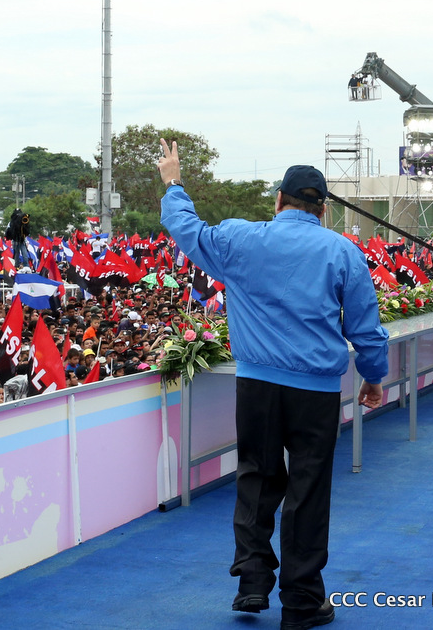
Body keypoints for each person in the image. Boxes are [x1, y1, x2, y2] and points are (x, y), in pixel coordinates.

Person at [158, 140, 388, 630]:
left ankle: (252, 582)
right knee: (308, 491)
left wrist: (174, 183)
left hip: (257, 387)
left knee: (256, 479)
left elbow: (186, 229)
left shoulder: (240, 239)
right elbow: (366, 327)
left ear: (279, 200)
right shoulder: (343, 252)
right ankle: (302, 602)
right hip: (316, 392)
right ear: (322, 210)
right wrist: (373, 375)